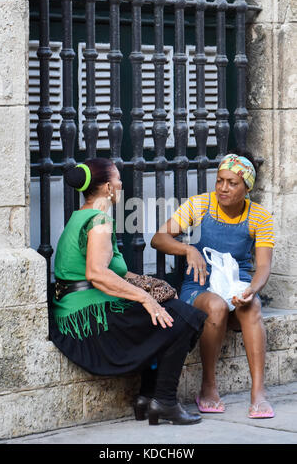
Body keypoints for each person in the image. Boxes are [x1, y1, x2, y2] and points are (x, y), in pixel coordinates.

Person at [49, 157, 207, 426]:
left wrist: (147, 283)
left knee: (171, 310)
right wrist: (145, 298)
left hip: (78, 310)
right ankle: (164, 400)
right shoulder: (99, 220)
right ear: (109, 188)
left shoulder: (81, 215)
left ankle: (148, 397)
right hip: (88, 322)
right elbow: (96, 273)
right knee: (184, 318)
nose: (122, 184)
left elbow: (114, 270)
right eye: (118, 179)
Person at [151, 152, 275, 419]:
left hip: (236, 286)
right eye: (220, 180)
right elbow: (158, 238)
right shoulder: (199, 205)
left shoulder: (260, 217)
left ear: (247, 188)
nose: (223, 188)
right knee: (217, 306)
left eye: (232, 182)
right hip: (199, 288)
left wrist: (252, 289)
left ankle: (259, 393)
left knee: (252, 306)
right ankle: (208, 386)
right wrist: (187, 250)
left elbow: (263, 266)